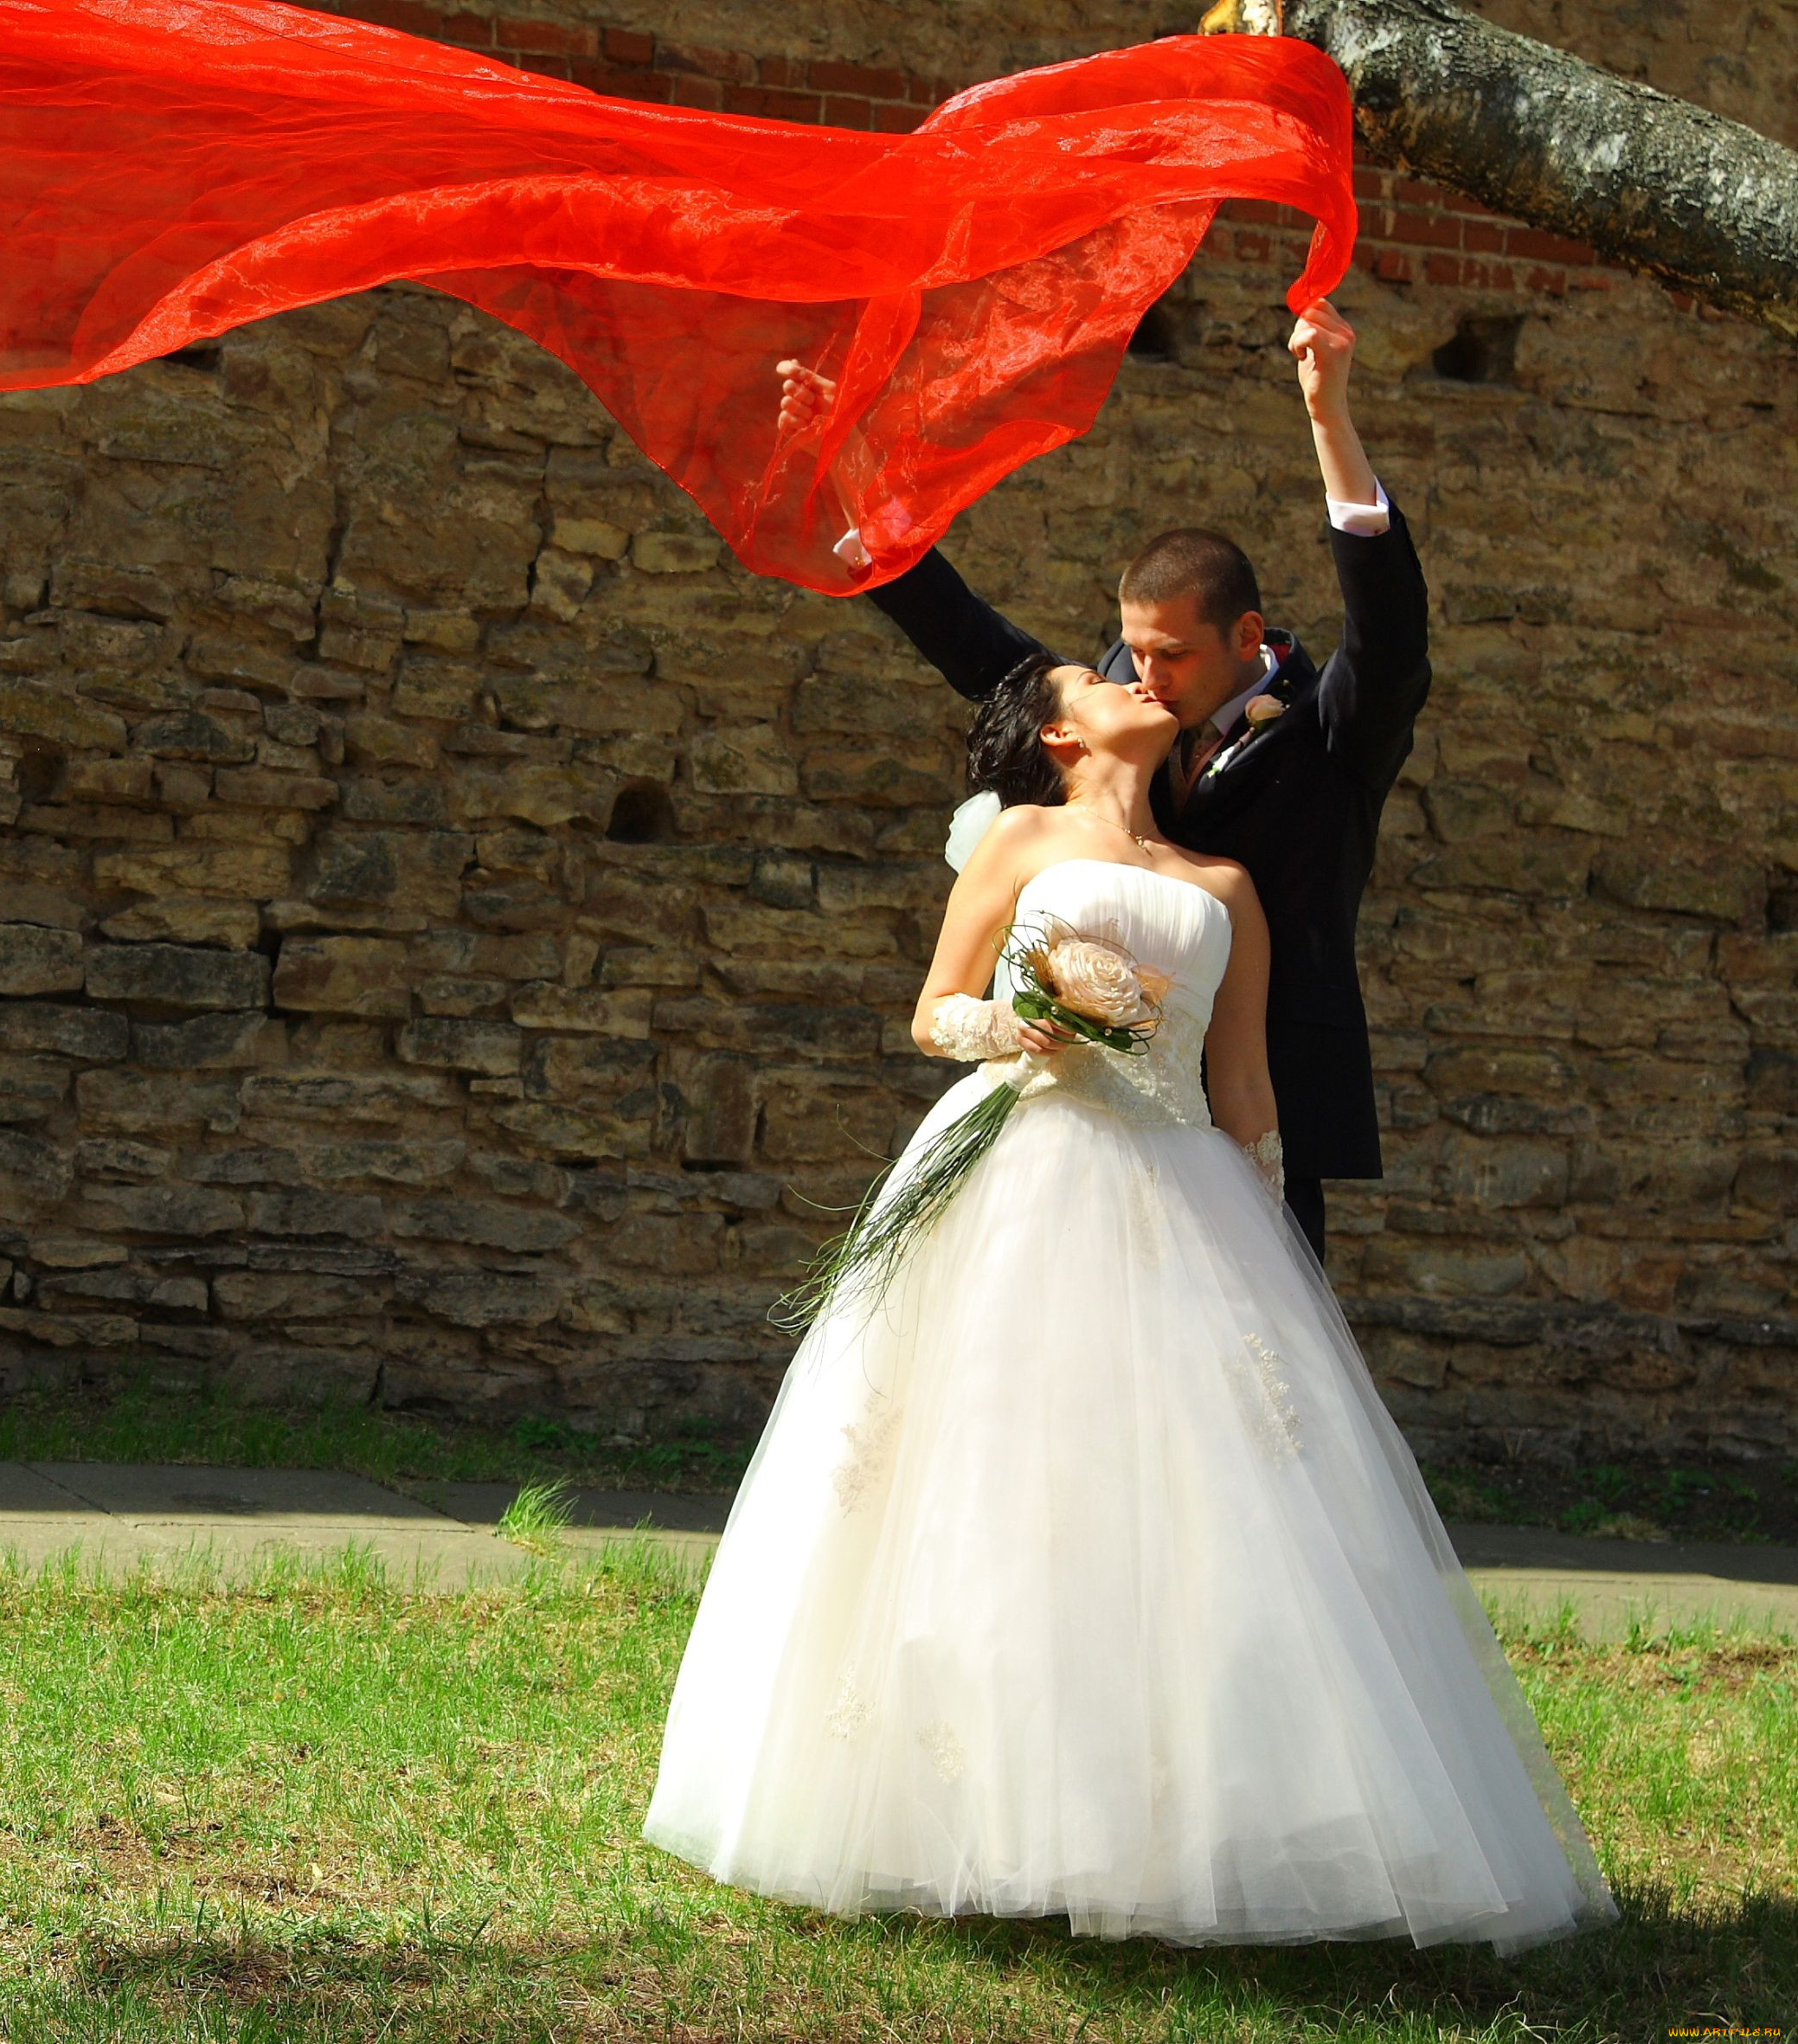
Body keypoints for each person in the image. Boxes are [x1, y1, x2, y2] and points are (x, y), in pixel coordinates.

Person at [639, 655, 1616, 1951]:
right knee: (989, 1485)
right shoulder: (1025, 838)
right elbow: (933, 1008)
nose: (1127, 678)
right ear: (1056, 728)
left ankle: (1164, 1819)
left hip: (1178, 1185)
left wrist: (1272, 1253)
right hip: (1020, 1165)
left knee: (1184, 1509)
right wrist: (1011, 1029)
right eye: (1091, 675)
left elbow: (1245, 1081)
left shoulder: (1225, 888)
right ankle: (961, 1808)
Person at [798, 300, 1423, 1262]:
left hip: (1266, 1099)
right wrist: (852, 480)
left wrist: (1330, 418)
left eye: (1168, 655)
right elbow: (973, 644)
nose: (1142, 678)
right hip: (1088, 1113)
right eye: (1128, 653)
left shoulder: (1330, 736)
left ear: (1247, 640)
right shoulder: (1112, 716)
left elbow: (1390, 640)